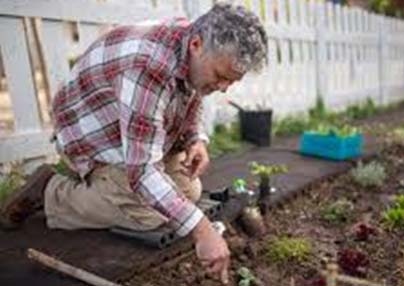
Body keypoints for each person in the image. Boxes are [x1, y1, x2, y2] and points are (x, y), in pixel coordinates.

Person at [1, 3, 267, 284]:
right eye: (220, 76)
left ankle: (107, 191)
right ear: (197, 45)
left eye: (231, 81)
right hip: (94, 137)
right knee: (148, 215)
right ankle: (51, 192)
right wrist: (203, 230)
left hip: (138, 132)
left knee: (189, 190)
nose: (224, 87)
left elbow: (192, 92)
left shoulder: (193, 46)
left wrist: (194, 139)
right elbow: (141, 172)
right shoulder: (148, 66)